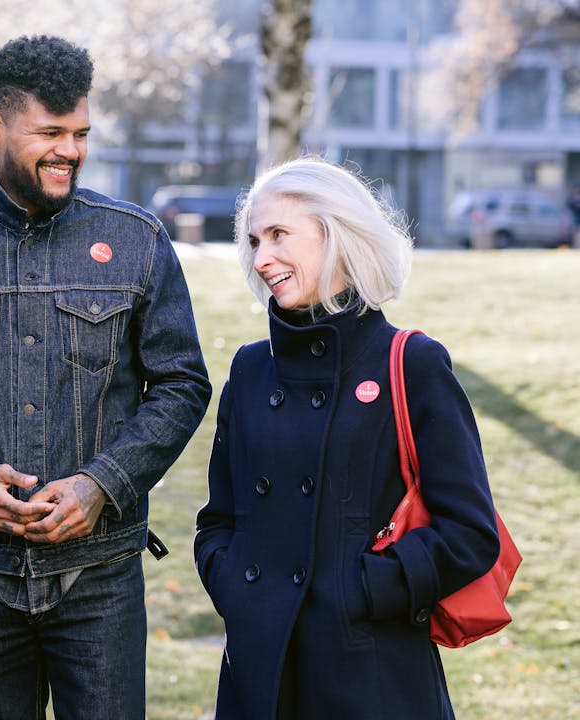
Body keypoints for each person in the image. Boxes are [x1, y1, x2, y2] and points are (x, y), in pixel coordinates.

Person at [0, 35, 211, 719]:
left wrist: (101, 485)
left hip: (101, 579)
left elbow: (181, 385)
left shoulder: (139, 239)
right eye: (51, 132)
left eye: (81, 133)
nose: (71, 150)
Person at [194, 156, 501, 719]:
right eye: (255, 240)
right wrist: (236, 587)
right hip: (259, 670)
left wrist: (357, 592)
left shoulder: (411, 364)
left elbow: (471, 534)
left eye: (280, 235)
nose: (262, 258)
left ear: (336, 235)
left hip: (370, 674)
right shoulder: (250, 369)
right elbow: (219, 517)